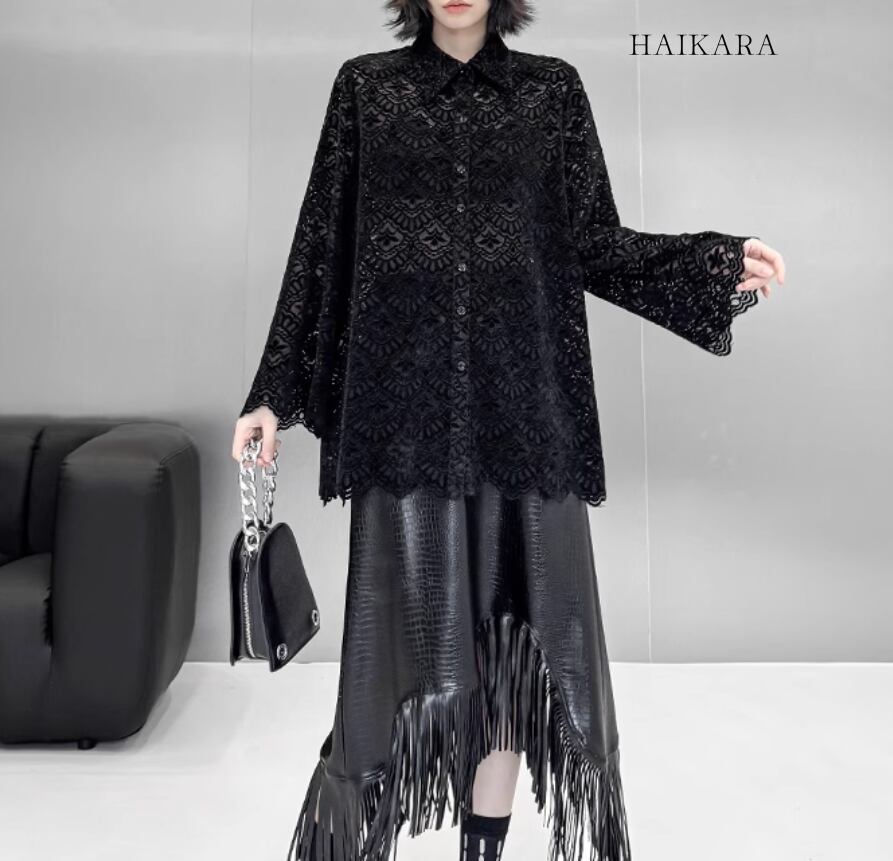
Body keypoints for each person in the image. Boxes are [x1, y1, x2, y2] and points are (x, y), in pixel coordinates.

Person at [231, 2, 785, 860]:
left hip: (526, 424)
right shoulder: (366, 92)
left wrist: (709, 265)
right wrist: (272, 394)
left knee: (514, 664)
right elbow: (322, 246)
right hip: (403, 428)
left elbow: (593, 244)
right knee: (389, 671)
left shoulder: (551, 92)